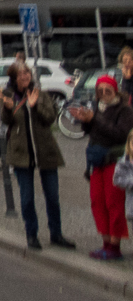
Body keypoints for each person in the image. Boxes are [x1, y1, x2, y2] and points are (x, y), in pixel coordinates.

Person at [0, 62, 73, 250]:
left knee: (53, 197)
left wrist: (34, 107)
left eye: (27, 73)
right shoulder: (9, 95)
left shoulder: (41, 94)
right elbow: (6, 121)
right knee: (27, 198)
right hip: (21, 153)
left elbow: (50, 118)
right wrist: (8, 108)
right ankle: (31, 234)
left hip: (45, 151)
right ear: (14, 78)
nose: (25, 76)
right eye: (20, 74)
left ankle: (56, 234)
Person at [70, 74, 133, 260]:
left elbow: (121, 135)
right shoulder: (98, 107)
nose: (104, 94)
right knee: (98, 201)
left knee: (114, 203)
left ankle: (115, 246)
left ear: (115, 91)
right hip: (97, 162)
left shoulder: (124, 110)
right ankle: (105, 242)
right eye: (100, 91)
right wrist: (85, 120)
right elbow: (91, 132)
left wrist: (94, 119)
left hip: (115, 161)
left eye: (108, 90)